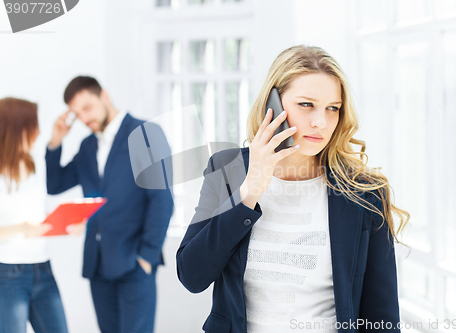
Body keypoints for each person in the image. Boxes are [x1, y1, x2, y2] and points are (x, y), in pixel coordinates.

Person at [176, 45, 410, 333]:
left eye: (332, 108)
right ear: (272, 105)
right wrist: (250, 191)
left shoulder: (365, 193)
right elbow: (192, 275)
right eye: (306, 104)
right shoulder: (228, 170)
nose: (320, 122)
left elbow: (381, 315)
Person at [45, 76, 174, 333]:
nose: (84, 118)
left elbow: (161, 201)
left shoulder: (146, 133)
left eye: (87, 108)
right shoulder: (87, 146)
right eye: (77, 113)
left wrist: (146, 257)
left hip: (134, 264)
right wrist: (56, 141)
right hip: (98, 266)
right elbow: (55, 184)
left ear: (104, 96)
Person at [0, 97, 69, 333]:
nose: (38, 132)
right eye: (34, 125)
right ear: (17, 127)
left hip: (43, 269)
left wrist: (67, 223)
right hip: (8, 273)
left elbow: (40, 213)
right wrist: (22, 228)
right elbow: (24, 223)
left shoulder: (34, 164)